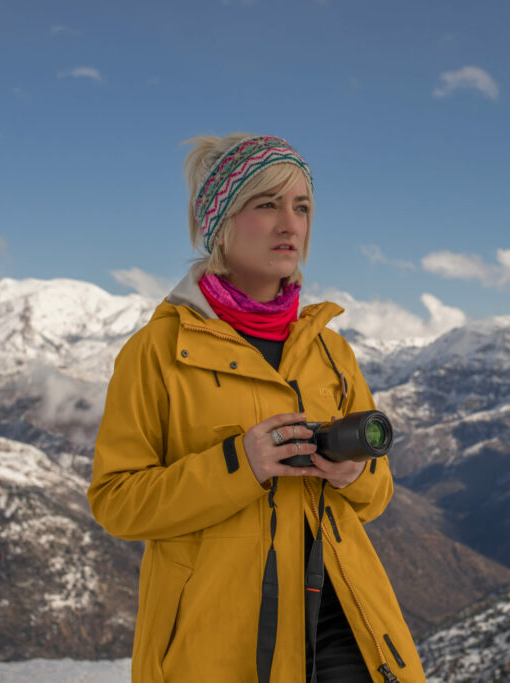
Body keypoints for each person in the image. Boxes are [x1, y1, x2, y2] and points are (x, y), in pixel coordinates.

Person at [88, 133, 423, 682]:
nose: (289, 224)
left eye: (302, 207)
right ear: (219, 223)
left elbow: (376, 494)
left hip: (346, 622)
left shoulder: (330, 350)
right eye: (265, 204)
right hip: (221, 643)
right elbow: (117, 501)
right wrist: (238, 464)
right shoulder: (158, 351)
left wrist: (352, 473)